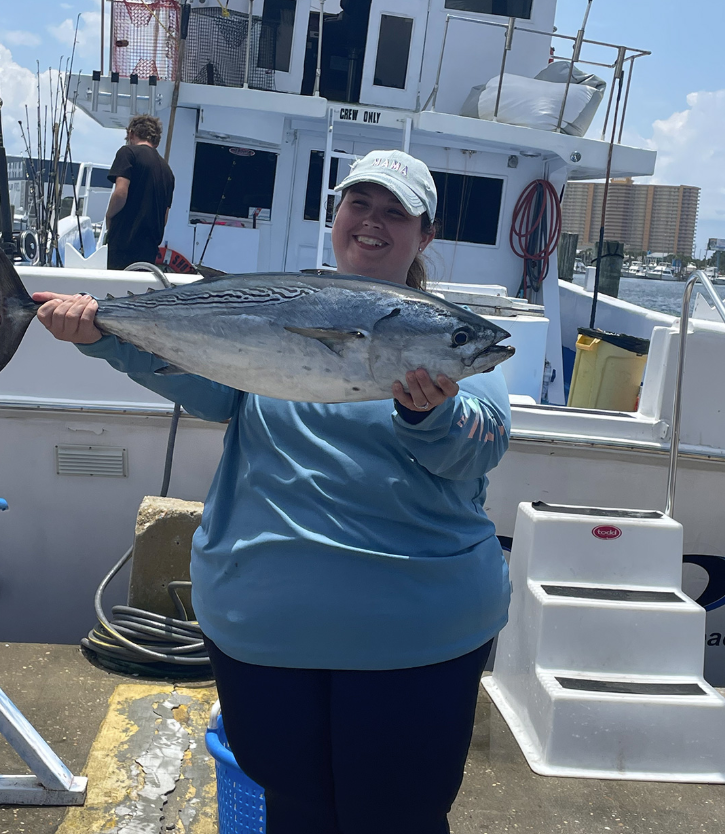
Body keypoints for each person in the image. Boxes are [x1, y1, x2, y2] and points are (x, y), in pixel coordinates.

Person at [32, 149, 512, 834]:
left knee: (399, 817)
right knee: (293, 812)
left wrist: (430, 413)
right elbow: (208, 386)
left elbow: (478, 445)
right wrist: (103, 335)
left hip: (415, 643)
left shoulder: (447, 334)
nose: (372, 222)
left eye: (394, 211)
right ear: (337, 215)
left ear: (424, 235)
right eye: (359, 204)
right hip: (266, 638)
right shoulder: (285, 303)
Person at [105, 115, 175, 270]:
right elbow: (164, 215)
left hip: (124, 242)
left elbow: (121, 193)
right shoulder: (167, 171)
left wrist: (109, 216)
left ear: (131, 134)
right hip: (149, 249)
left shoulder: (128, 153)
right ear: (156, 142)